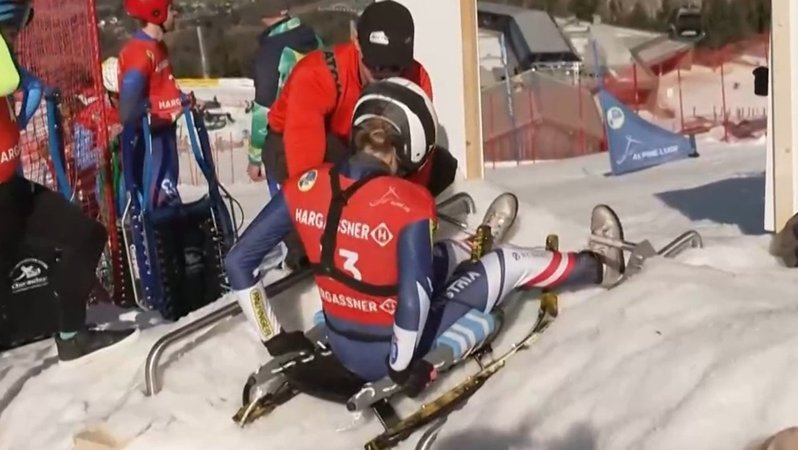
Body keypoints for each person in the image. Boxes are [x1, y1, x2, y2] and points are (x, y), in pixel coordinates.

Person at [224, 78, 625, 397]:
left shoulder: (306, 184)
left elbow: (238, 261)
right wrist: (400, 368)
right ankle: (601, 267)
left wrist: (274, 338)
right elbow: (414, 300)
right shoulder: (410, 202)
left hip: (343, 341)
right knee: (511, 263)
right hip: (389, 354)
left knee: (435, 254)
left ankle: (472, 244)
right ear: (412, 146)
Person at [262, 0, 458, 269]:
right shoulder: (317, 75)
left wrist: (407, 218)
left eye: (394, 68)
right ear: (356, 42)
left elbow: (418, 156)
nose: (384, 75)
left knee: (441, 166)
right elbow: (305, 175)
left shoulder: (416, 78)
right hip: (298, 144)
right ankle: (304, 256)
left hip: (358, 145)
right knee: (321, 190)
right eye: (375, 65)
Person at [0, 0, 134, 360]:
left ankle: (71, 336)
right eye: (7, 33)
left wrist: (18, 120)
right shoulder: (4, 70)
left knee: (86, 236)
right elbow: (10, 78)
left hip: (14, 192)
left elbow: (28, 86)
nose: (12, 42)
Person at [246, 1, 323, 194]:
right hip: (322, 139)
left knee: (287, 209)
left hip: (285, 150)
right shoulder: (312, 38)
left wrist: (255, 158)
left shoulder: (271, 52)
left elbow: (264, 110)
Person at [117, 0, 185, 209]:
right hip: (150, 141)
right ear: (156, 13)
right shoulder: (140, 52)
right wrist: (139, 117)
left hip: (164, 134)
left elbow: (163, 87)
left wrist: (182, 99)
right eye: (170, 9)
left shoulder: (158, 46)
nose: (175, 13)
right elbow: (128, 103)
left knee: (168, 197)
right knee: (162, 204)